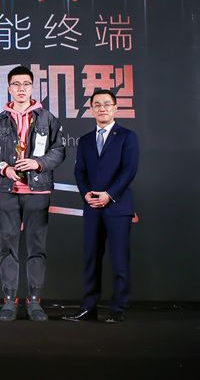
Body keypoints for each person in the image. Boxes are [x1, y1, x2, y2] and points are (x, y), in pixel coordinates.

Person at [0, 66, 66, 321]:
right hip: (6, 190)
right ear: (9, 88)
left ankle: (35, 301)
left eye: (26, 84)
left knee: (36, 247)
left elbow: (59, 150)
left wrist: (37, 163)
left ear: (32, 87)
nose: (21, 88)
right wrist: (5, 169)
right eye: (16, 84)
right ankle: (9, 301)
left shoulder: (47, 118)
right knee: (8, 245)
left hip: (38, 190)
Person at [64, 89, 139, 324]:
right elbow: (80, 171)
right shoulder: (85, 140)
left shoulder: (127, 136)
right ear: (91, 109)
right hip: (92, 206)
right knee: (91, 259)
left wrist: (109, 194)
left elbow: (129, 170)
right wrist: (86, 193)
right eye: (97, 104)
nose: (102, 108)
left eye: (107, 104)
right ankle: (88, 307)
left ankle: (117, 308)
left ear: (115, 108)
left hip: (117, 206)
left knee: (119, 260)